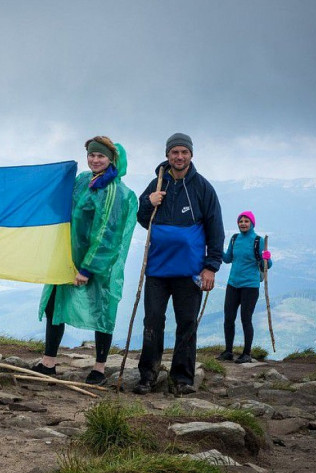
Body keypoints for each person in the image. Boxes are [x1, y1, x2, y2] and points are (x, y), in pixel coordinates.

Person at [31, 136, 138, 385]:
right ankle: (49, 362)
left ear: (111, 159)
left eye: (100, 156)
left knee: (102, 310)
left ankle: (99, 368)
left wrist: (88, 268)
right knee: (54, 304)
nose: (95, 160)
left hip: (100, 264)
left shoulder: (115, 191)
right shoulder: (82, 181)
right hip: (69, 258)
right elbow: (61, 204)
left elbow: (107, 234)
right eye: (91, 155)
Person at [134, 132, 224, 396]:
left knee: (187, 323)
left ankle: (182, 378)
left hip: (191, 270)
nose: (180, 156)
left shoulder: (202, 188)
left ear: (191, 155)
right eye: (175, 152)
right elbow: (142, 218)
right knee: (152, 321)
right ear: (167, 155)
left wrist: (211, 266)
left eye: (184, 152)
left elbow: (215, 228)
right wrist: (147, 203)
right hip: (157, 270)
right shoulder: (157, 184)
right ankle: (147, 375)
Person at [217, 211, 272, 364]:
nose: (243, 223)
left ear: (252, 223)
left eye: (246, 221)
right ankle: (228, 351)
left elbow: (267, 265)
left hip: (250, 286)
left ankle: (246, 353)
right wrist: (217, 249)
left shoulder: (258, 241)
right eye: (240, 221)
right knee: (228, 318)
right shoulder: (235, 239)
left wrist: (267, 258)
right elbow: (228, 259)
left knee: (245, 319)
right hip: (233, 284)